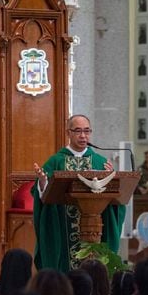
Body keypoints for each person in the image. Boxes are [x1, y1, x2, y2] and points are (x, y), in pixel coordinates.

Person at [32, 114, 125, 272]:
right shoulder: (56, 161)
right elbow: (42, 194)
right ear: (68, 133)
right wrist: (42, 182)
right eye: (78, 131)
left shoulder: (99, 162)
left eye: (87, 131)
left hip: (95, 228)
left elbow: (116, 201)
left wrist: (111, 178)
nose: (83, 136)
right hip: (63, 228)